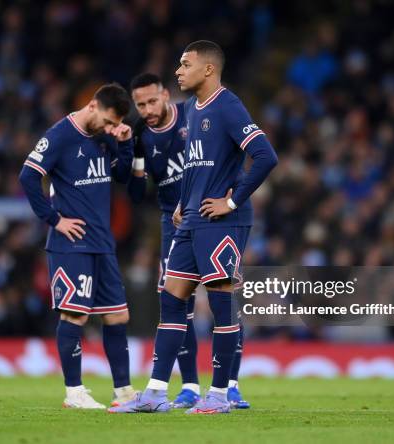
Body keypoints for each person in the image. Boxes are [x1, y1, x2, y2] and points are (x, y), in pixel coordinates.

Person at [110, 41, 278, 414]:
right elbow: (195, 165)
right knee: (172, 300)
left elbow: (266, 155)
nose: (178, 70)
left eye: (185, 64)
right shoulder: (191, 111)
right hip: (191, 219)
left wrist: (232, 201)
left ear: (207, 69)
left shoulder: (227, 105)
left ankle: (219, 394)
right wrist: (185, 202)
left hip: (222, 220)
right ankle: (155, 392)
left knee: (222, 305)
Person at [127, 72, 250, 409]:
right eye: (140, 105)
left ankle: (230, 385)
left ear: (166, 95)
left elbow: (232, 154)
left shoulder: (194, 114)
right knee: (175, 302)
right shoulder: (141, 136)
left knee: (223, 296)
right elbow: (137, 194)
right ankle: (190, 387)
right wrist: (135, 155)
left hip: (210, 217)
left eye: (152, 101)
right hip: (173, 220)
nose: (148, 109)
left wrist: (233, 195)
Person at [19, 83, 138, 409]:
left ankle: (124, 393)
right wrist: (54, 219)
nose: (112, 129)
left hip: (102, 242)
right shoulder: (59, 135)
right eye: (110, 122)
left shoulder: (106, 137)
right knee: (74, 316)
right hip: (71, 244)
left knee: (117, 317)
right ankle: (74, 392)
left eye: (116, 125)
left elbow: (123, 177)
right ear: (93, 107)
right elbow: (28, 176)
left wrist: (125, 145)